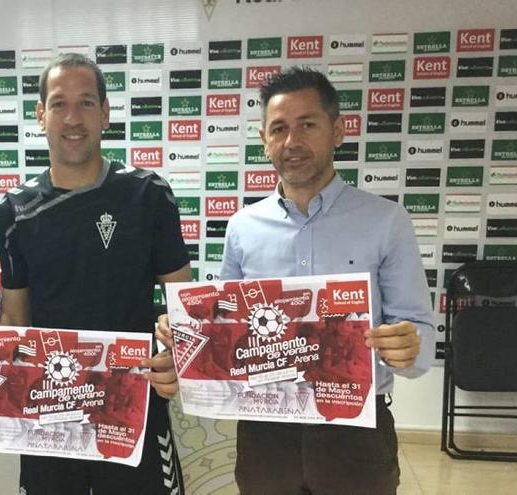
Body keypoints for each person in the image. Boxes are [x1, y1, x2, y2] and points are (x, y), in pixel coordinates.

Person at [159, 67, 434, 495]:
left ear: (337, 131)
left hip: (355, 430)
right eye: (279, 129)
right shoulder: (243, 228)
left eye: (307, 125)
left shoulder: (386, 221)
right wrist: (187, 336)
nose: (292, 142)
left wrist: (408, 345)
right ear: (265, 139)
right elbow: (228, 334)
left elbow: (419, 329)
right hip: (266, 432)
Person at [0, 53, 192, 494]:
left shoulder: (147, 194)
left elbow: (183, 310)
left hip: (133, 406)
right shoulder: (15, 211)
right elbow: (15, 321)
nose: (72, 117)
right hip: (49, 407)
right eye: (59, 104)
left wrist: (177, 355)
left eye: (85, 103)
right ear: (40, 115)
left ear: (105, 113)